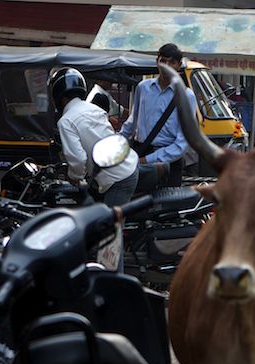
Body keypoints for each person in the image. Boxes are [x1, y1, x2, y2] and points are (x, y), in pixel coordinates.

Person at [50, 67, 139, 271]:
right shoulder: (95, 109)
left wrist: (76, 177)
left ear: (59, 96)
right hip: (125, 167)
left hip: (118, 178)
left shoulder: (66, 121)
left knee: (109, 235)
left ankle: (113, 283)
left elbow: (77, 158)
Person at [120, 43, 196, 188]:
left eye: (172, 62)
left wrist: (147, 160)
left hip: (169, 161)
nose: (166, 65)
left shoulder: (186, 95)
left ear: (178, 65)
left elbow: (182, 143)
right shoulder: (143, 87)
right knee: (135, 206)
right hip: (140, 151)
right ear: (157, 61)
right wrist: (117, 144)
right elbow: (132, 122)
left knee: (166, 207)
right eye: (163, 61)